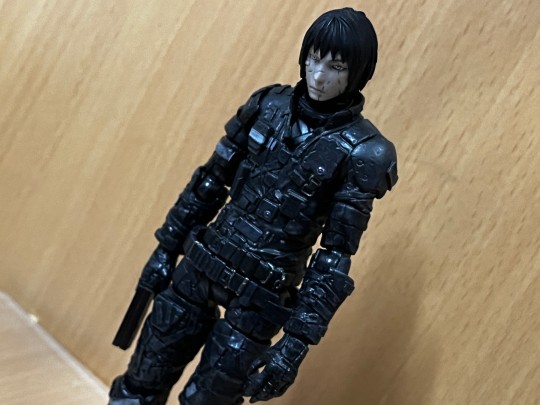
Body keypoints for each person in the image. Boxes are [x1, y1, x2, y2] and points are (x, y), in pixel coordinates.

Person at [109, 7, 398, 405]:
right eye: (314, 59)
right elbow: (209, 181)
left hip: (261, 296)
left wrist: (294, 346)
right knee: (141, 382)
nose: (318, 76)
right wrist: (165, 249)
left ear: (359, 73)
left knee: (207, 400)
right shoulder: (267, 104)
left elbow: (334, 259)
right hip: (202, 263)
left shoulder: (365, 152)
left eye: (335, 67)